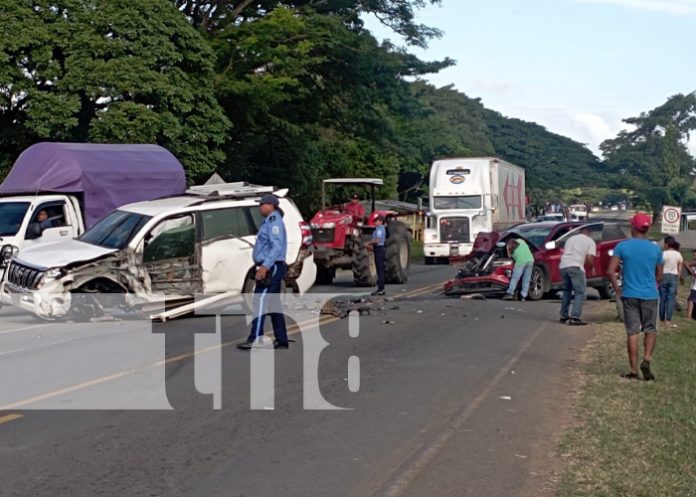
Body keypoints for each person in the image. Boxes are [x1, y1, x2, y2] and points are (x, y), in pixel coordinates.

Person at [607, 213, 663, 381]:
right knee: (650, 329)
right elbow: (659, 275)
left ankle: (633, 371)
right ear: (646, 229)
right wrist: (651, 284)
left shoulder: (622, 247)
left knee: (632, 332)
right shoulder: (655, 249)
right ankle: (647, 359)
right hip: (650, 295)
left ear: (633, 228)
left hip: (629, 294)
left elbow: (611, 271)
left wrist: (617, 288)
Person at [238, 194, 289, 350]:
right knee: (273, 303)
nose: (260, 207)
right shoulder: (269, 221)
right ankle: (281, 339)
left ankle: (255, 338)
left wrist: (265, 266)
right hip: (270, 265)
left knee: (259, 300)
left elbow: (276, 246)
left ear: (271, 205)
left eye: (262, 204)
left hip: (271, 266)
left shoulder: (274, 222)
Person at [559, 225, 597, 325]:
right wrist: (592, 267)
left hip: (563, 266)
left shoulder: (571, 239)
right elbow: (589, 258)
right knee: (580, 292)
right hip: (576, 266)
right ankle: (575, 317)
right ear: (589, 232)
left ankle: (564, 315)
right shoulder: (590, 241)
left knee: (567, 291)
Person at [659, 236, 683, 328]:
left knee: (662, 298)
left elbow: (660, 266)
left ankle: (661, 318)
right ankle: (668, 319)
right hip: (673, 276)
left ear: (666, 244)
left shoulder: (663, 254)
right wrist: (679, 276)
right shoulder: (678, 254)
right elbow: (680, 266)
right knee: (671, 299)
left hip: (664, 275)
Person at [502, 237, 534, 301]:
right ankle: (523, 296)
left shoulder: (509, 246)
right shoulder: (520, 240)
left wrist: (507, 249)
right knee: (526, 279)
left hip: (520, 261)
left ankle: (510, 293)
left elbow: (509, 256)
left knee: (515, 278)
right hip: (530, 260)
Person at [367, 215, 386, 296]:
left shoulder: (379, 229)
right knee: (380, 270)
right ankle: (381, 288)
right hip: (378, 249)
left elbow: (377, 240)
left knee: (380, 270)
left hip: (379, 249)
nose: (375, 222)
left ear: (380, 221)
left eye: (376, 221)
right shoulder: (381, 229)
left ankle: (381, 289)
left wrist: (368, 243)